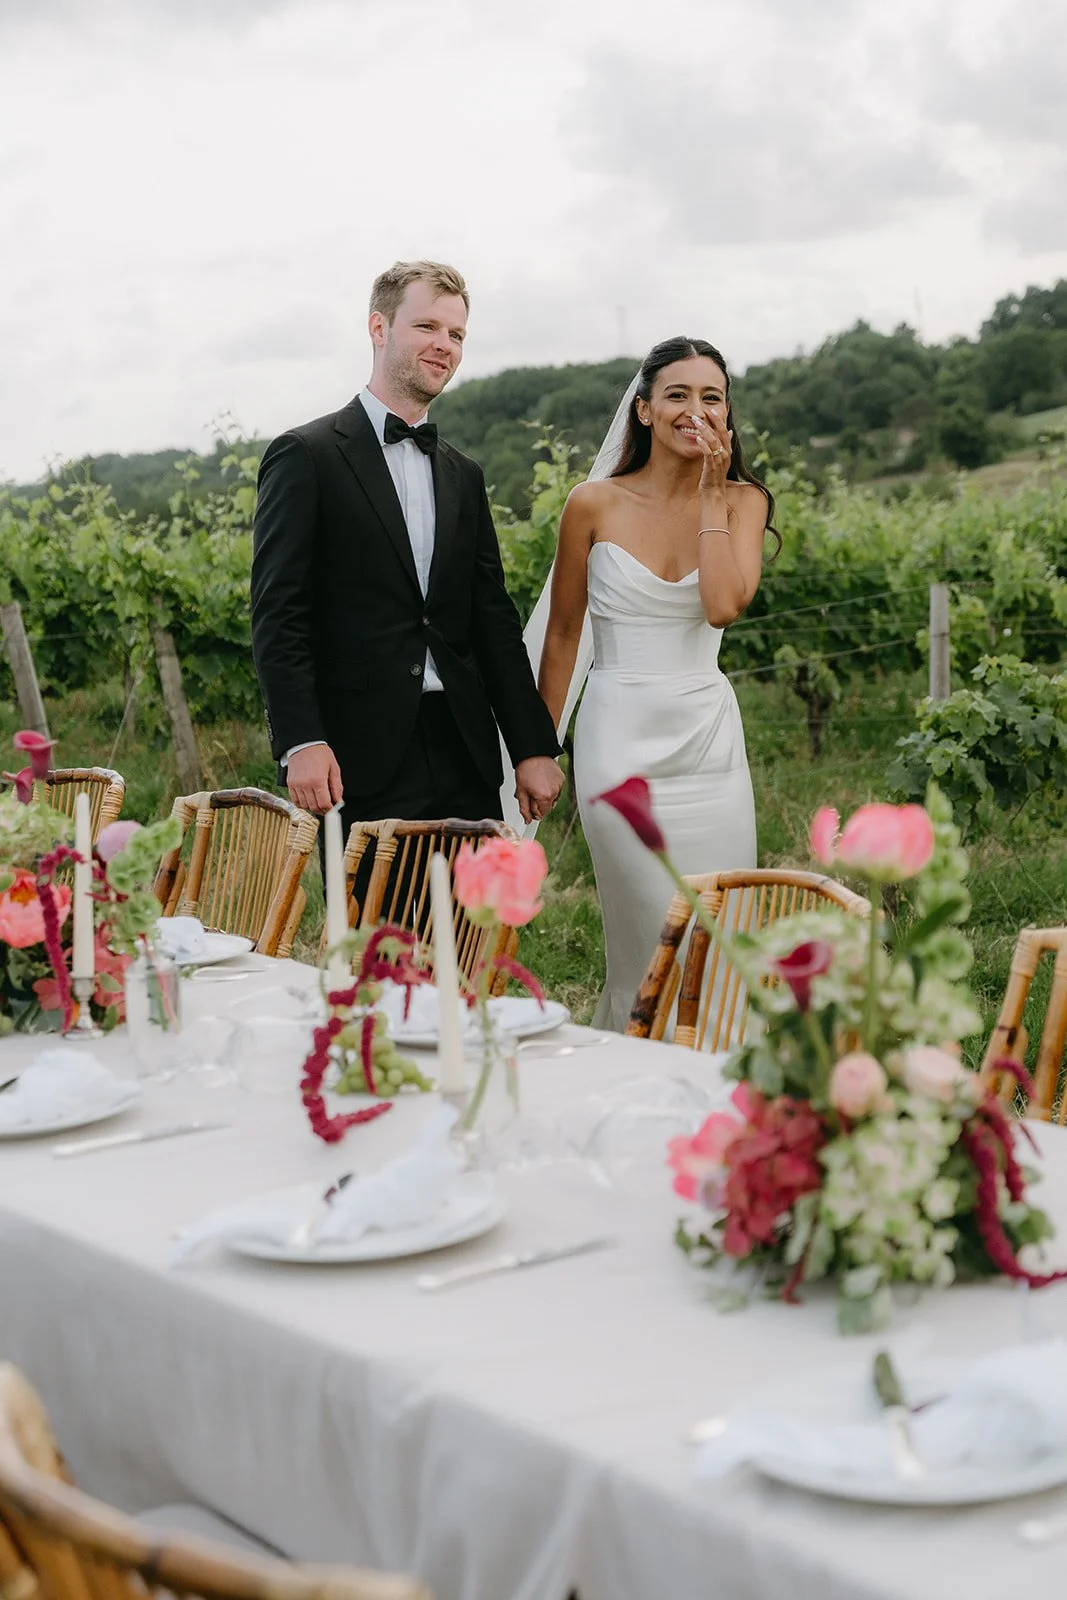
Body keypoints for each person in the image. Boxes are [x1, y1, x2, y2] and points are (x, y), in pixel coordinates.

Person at [250, 260, 564, 842]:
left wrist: (532, 746)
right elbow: (278, 613)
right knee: (376, 934)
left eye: (457, 334)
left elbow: (492, 620)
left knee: (471, 930)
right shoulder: (306, 455)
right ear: (379, 328)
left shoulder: (463, 475)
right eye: (427, 327)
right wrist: (302, 740)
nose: (444, 345)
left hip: (465, 752)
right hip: (355, 758)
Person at [535, 336, 779, 1030]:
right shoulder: (593, 504)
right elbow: (561, 633)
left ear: (727, 416)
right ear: (642, 410)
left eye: (711, 396)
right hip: (617, 741)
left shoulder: (742, 503)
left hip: (707, 745)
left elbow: (722, 605)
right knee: (650, 933)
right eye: (677, 394)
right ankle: (638, 1069)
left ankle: (721, 1091)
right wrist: (539, 748)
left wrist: (709, 496)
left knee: (721, 934)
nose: (693, 409)